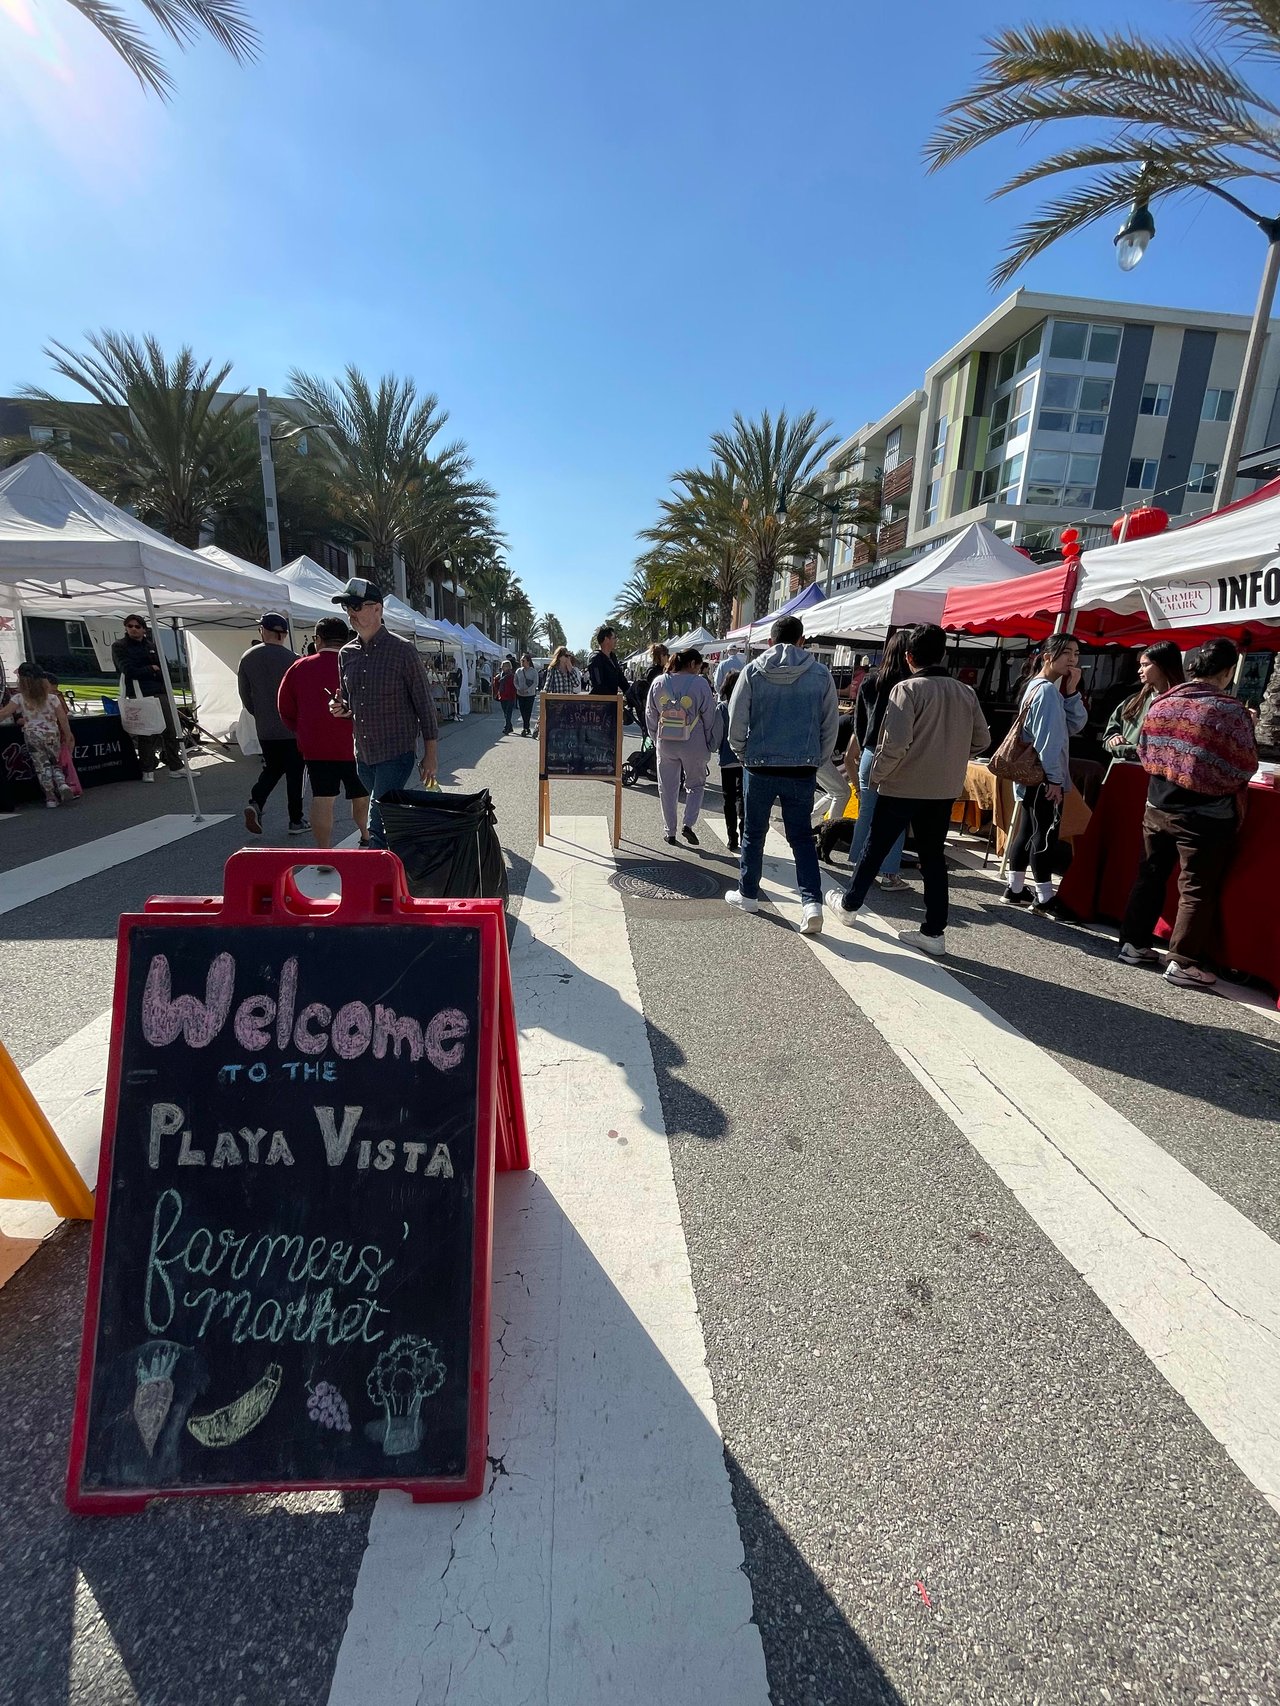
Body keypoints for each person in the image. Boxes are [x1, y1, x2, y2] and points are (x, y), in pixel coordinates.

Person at [825, 623, 989, 956]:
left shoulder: (907, 689)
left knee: (875, 847)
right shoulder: (965, 692)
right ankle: (934, 931)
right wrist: (951, 755)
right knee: (933, 858)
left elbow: (895, 744)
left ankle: (850, 904)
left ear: (909, 656)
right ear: (943, 654)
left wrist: (877, 776)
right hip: (943, 788)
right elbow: (982, 740)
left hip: (902, 784)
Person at [1118, 637, 1258, 989]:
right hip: (1205, 813)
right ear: (1227, 672)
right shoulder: (1230, 711)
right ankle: (1181, 962)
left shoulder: (1163, 701)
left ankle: (1133, 944)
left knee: (1150, 875)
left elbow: (1144, 751)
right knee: (1196, 887)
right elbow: (1244, 765)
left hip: (1158, 803)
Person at [724, 614, 839, 936]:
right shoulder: (820, 674)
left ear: (770, 641)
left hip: (759, 764)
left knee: (753, 833)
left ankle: (748, 894)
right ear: (802, 641)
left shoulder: (753, 671)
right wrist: (816, 759)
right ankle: (812, 904)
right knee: (801, 837)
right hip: (802, 766)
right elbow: (829, 725)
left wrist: (744, 754)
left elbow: (736, 720)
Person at [329, 577, 439, 849]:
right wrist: (339, 707)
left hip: (396, 752)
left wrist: (431, 754)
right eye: (347, 607)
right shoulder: (346, 654)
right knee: (387, 816)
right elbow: (348, 700)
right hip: (364, 756)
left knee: (375, 824)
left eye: (356, 606)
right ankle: (407, 859)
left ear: (377, 608)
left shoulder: (403, 651)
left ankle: (376, 872)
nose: (351, 613)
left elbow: (425, 705)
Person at [1002, 633, 1087, 911]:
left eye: (1076, 654)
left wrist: (1072, 692)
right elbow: (1048, 740)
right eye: (1067, 653)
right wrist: (1054, 779)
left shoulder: (1036, 687)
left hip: (1032, 773)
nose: (1073, 660)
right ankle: (1045, 897)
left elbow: (1070, 726)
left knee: (1028, 829)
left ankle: (1015, 888)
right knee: (1044, 833)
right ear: (1048, 657)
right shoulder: (1047, 690)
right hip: (1043, 774)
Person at [277, 617, 370, 851]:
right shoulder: (358, 663)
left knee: (322, 798)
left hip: (316, 745)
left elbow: (284, 707)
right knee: (361, 795)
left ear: (318, 639)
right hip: (356, 744)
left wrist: (302, 729)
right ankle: (366, 836)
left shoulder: (299, 667)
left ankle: (324, 852)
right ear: (346, 639)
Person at [843, 632, 913, 890]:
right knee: (895, 817)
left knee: (867, 811)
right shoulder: (910, 684)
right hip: (900, 755)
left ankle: (858, 864)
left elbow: (858, 722)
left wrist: (865, 746)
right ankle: (889, 873)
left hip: (870, 751)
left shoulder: (871, 680)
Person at [238, 612, 306, 837]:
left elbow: (245, 694)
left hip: (265, 726)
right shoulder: (294, 659)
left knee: (272, 768)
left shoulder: (248, 657)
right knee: (295, 774)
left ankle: (256, 801)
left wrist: (259, 713)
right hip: (292, 727)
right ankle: (296, 819)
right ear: (284, 634)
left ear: (263, 631)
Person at [646, 647, 717, 846]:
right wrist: (709, 740)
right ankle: (688, 823)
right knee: (696, 785)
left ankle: (670, 831)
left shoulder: (659, 681)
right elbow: (709, 715)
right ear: (692, 664)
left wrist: (655, 738)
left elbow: (650, 714)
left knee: (667, 788)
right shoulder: (700, 683)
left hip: (665, 741)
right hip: (694, 742)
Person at [111, 613, 182, 779]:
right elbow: (128, 670)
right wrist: (150, 669)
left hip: (159, 691)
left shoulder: (151, 645)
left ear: (144, 629)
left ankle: (176, 766)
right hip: (139, 694)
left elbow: (165, 668)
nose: (133, 629)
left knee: (170, 730)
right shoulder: (119, 646)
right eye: (130, 626)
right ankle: (147, 769)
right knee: (146, 733)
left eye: (137, 626)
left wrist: (153, 671)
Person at [0, 661, 77, 807]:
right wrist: (68, 734)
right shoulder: (52, 698)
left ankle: (50, 797)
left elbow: (4, 713)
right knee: (55, 762)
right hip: (52, 733)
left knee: (41, 765)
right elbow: (62, 718)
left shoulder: (19, 698)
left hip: (32, 735)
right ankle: (61, 783)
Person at [1103, 641, 1185, 766]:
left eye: (1145, 665)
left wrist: (1128, 750)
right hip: (1121, 769)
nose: (1139, 671)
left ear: (1163, 666)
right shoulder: (1132, 701)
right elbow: (1109, 734)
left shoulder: (1183, 706)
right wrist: (1113, 739)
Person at [813, 702, 857, 865]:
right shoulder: (855, 723)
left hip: (815, 754)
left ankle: (809, 822)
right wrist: (857, 785)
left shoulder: (849, 719)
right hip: (819, 756)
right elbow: (852, 757)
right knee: (842, 792)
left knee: (835, 791)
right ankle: (830, 830)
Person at [714, 670, 742, 852]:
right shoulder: (750, 706)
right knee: (744, 799)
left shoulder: (722, 709)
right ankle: (745, 834)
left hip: (727, 760)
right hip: (747, 761)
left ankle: (732, 838)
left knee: (729, 800)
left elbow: (717, 737)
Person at [628, 642, 668, 723]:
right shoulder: (654, 672)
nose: (668, 657)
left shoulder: (656, 670)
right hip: (656, 708)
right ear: (661, 656)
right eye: (667, 655)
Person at [588, 624, 630, 698]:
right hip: (600, 701)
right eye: (614, 638)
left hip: (613, 700)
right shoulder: (595, 658)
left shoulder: (613, 657)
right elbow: (598, 684)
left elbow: (621, 679)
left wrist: (630, 693)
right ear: (606, 639)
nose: (616, 640)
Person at [513, 653, 539, 735]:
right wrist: (518, 688)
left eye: (523, 660)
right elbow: (515, 681)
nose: (522, 662)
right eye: (521, 660)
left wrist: (528, 690)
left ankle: (525, 728)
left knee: (528, 711)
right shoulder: (518, 671)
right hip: (520, 694)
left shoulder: (533, 671)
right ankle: (526, 727)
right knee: (522, 711)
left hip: (530, 695)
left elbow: (535, 683)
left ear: (528, 661)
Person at [495, 659, 518, 733]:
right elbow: (497, 686)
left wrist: (513, 695)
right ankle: (510, 727)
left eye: (504, 666)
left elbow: (514, 687)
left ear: (509, 667)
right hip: (502, 696)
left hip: (510, 697)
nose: (503, 668)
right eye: (502, 666)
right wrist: (496, 679)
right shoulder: (500, 675)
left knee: (508, 713)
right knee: (505, 713)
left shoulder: (512, 676)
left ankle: (506, 727)